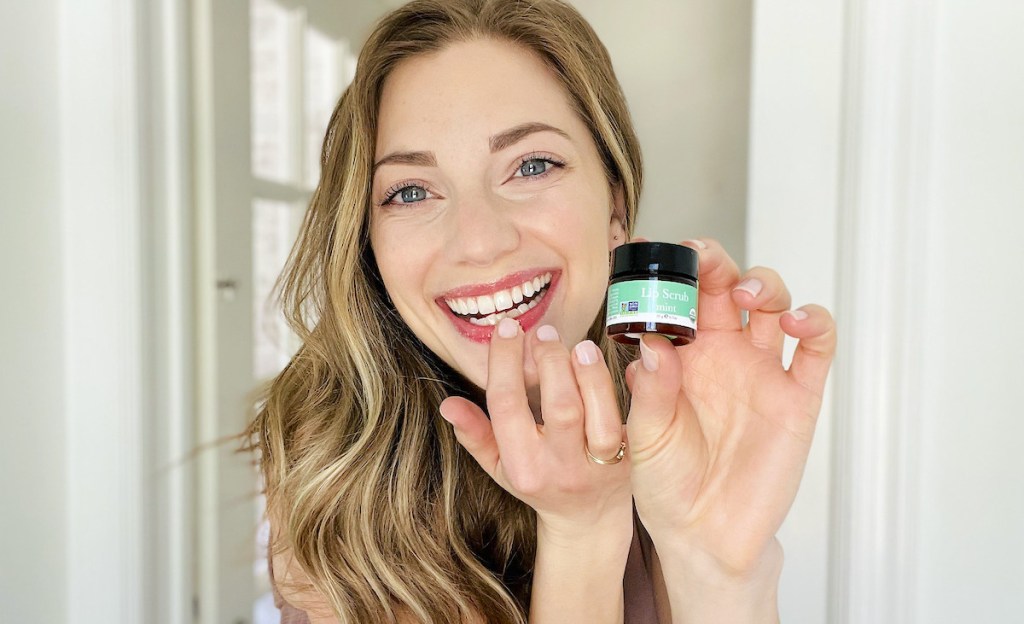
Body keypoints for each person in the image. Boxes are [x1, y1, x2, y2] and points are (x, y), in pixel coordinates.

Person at [244, 0, 836, 622]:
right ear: (367, 239)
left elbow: (719, 566)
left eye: (531, 165)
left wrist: (718, 564)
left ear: (614, 206)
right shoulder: (328, 458)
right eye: (410, 191)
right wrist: (584, 531)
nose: (479, 240)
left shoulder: (687, 426)